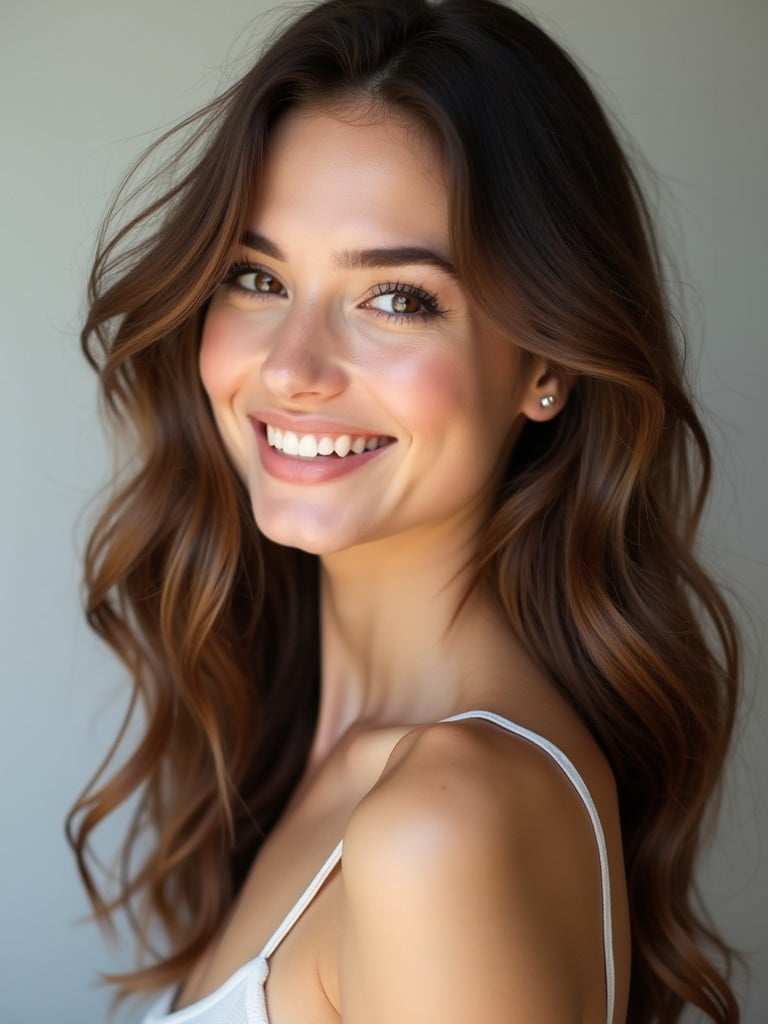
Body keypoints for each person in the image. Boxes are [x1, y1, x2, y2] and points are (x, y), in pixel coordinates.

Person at [68, 1, 742, 1021]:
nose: (291, 371)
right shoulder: (313, 747)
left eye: (397, 298)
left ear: (547, 364)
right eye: (257, 277)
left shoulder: (444, 823)